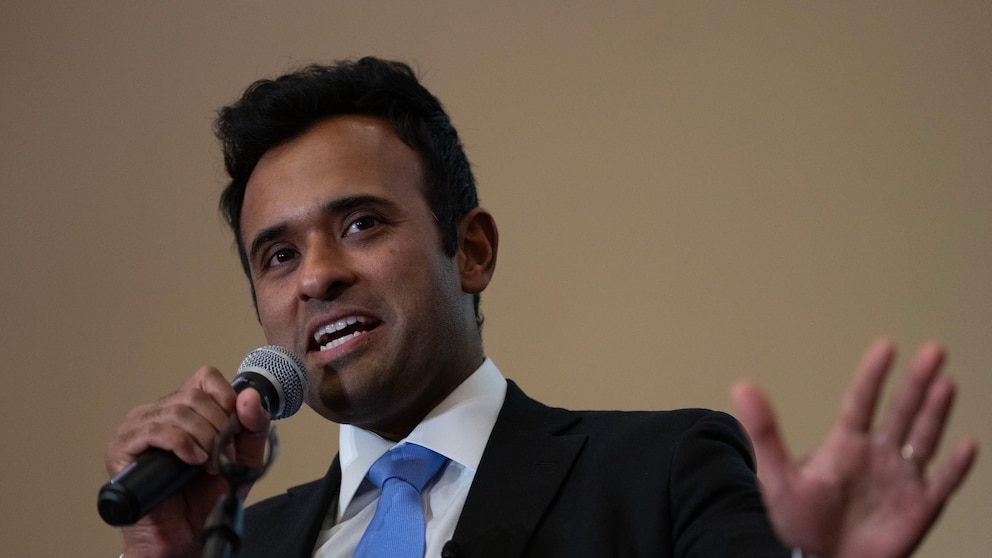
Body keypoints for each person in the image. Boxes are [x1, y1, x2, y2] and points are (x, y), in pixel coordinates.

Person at [104, 57, 977, 558]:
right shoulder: (244, 543)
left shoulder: (664, 474)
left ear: (472, 250)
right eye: (279, 255)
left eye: (361, 223)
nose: (316, 278)